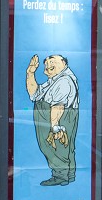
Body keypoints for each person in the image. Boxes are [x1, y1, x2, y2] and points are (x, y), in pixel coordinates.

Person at [26, 53, 79, 186]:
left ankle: (61, 176)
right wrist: (30, 73)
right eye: (47, 62)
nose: (48, 64)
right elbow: (34, 94)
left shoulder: (64, 81)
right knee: (63, 147)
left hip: (59, 117)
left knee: (57, 147)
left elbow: (58, 106)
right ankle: (68, 176)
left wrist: (55, 127)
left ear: (64, 63)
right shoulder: (54, 80)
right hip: (53, 116)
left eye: (53, 61)